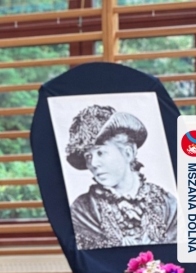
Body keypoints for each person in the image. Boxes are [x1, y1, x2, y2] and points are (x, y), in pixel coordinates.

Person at [65, 105, 178, 250]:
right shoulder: (82, 210)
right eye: (88, 156)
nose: (93, 164)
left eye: (100, 153)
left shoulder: (167, 204)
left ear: (128, 153)